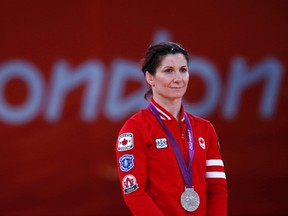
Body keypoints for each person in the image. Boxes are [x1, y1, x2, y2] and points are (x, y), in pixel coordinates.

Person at [115, 41, 228, 215]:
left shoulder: (205, 129)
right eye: (168, 71)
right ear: (150, 77)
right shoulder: (135, 129)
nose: (178, 78)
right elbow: (134, 192)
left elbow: (217, 188)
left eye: (183, 70)